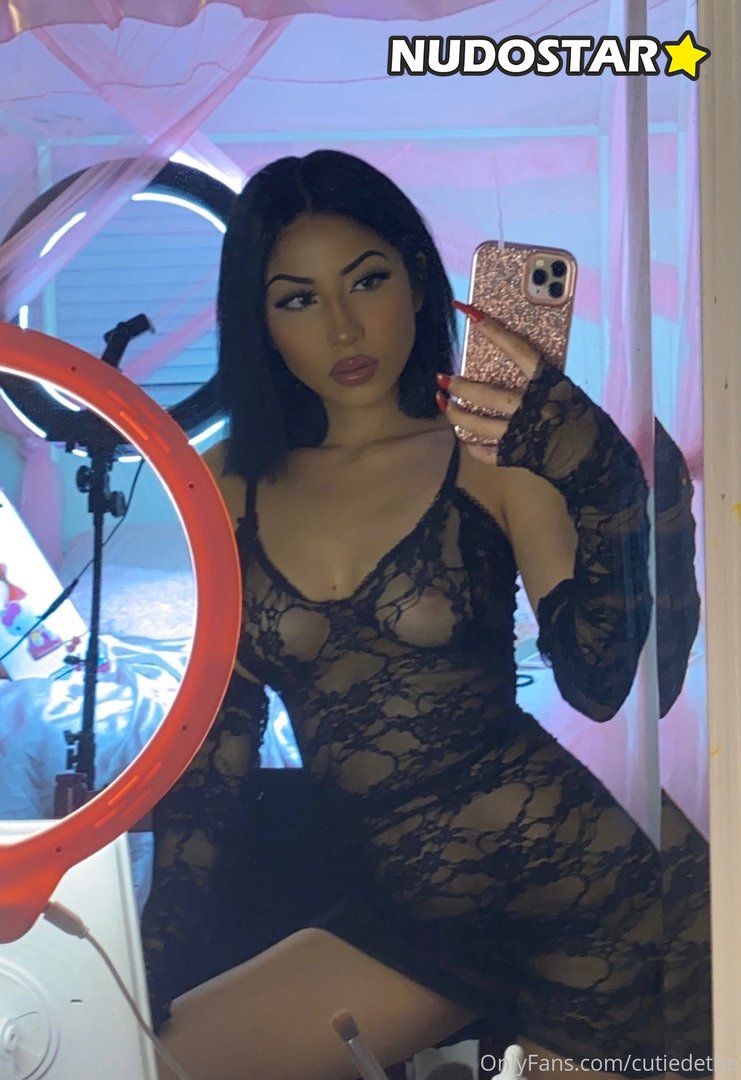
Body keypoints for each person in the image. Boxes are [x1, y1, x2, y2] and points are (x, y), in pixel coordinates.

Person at [140, 149, 667, 1080]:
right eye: (297, 299)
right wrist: (155, 950)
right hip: (404, 921)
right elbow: (216, 745)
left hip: (577, 898)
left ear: (418, 285)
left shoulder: (487, 458)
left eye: (367, 280)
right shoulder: (225, 488)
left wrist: (598, 469)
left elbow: (598, 679)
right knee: (145, 1060)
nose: (342, 326)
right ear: (259, 322)